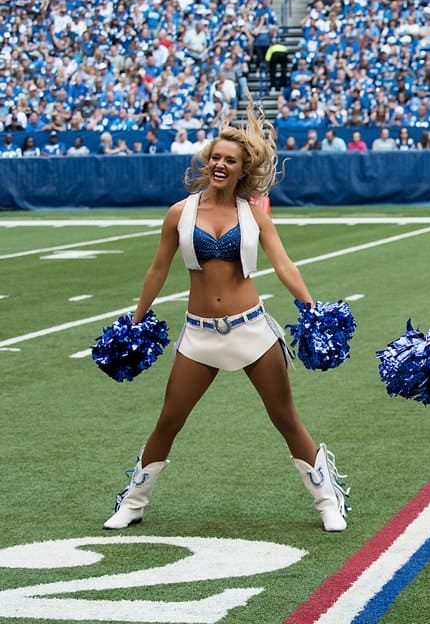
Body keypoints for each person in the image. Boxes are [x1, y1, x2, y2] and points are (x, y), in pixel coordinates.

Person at [103, 106, 349, 533]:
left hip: (251, 329)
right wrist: (136, 318)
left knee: (285, 417)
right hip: (200, 335)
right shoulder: (180, 212)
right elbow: (157, 269)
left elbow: (284, 264)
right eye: (215, 158)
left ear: (242, 169)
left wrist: (311, 307)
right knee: (169, 419)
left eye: (229, 161)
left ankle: (328, 499)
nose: (219, 165)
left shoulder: (254, 214)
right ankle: (134, 501)